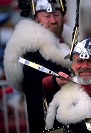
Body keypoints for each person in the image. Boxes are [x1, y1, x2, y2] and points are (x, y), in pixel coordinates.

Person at [3, 0, 72, 132]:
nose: (53, 20)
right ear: (35, 19)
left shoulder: (69, 46)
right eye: (47, 16)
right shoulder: (27, 51)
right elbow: (31, 85)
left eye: (57, 14)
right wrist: (53, 81)